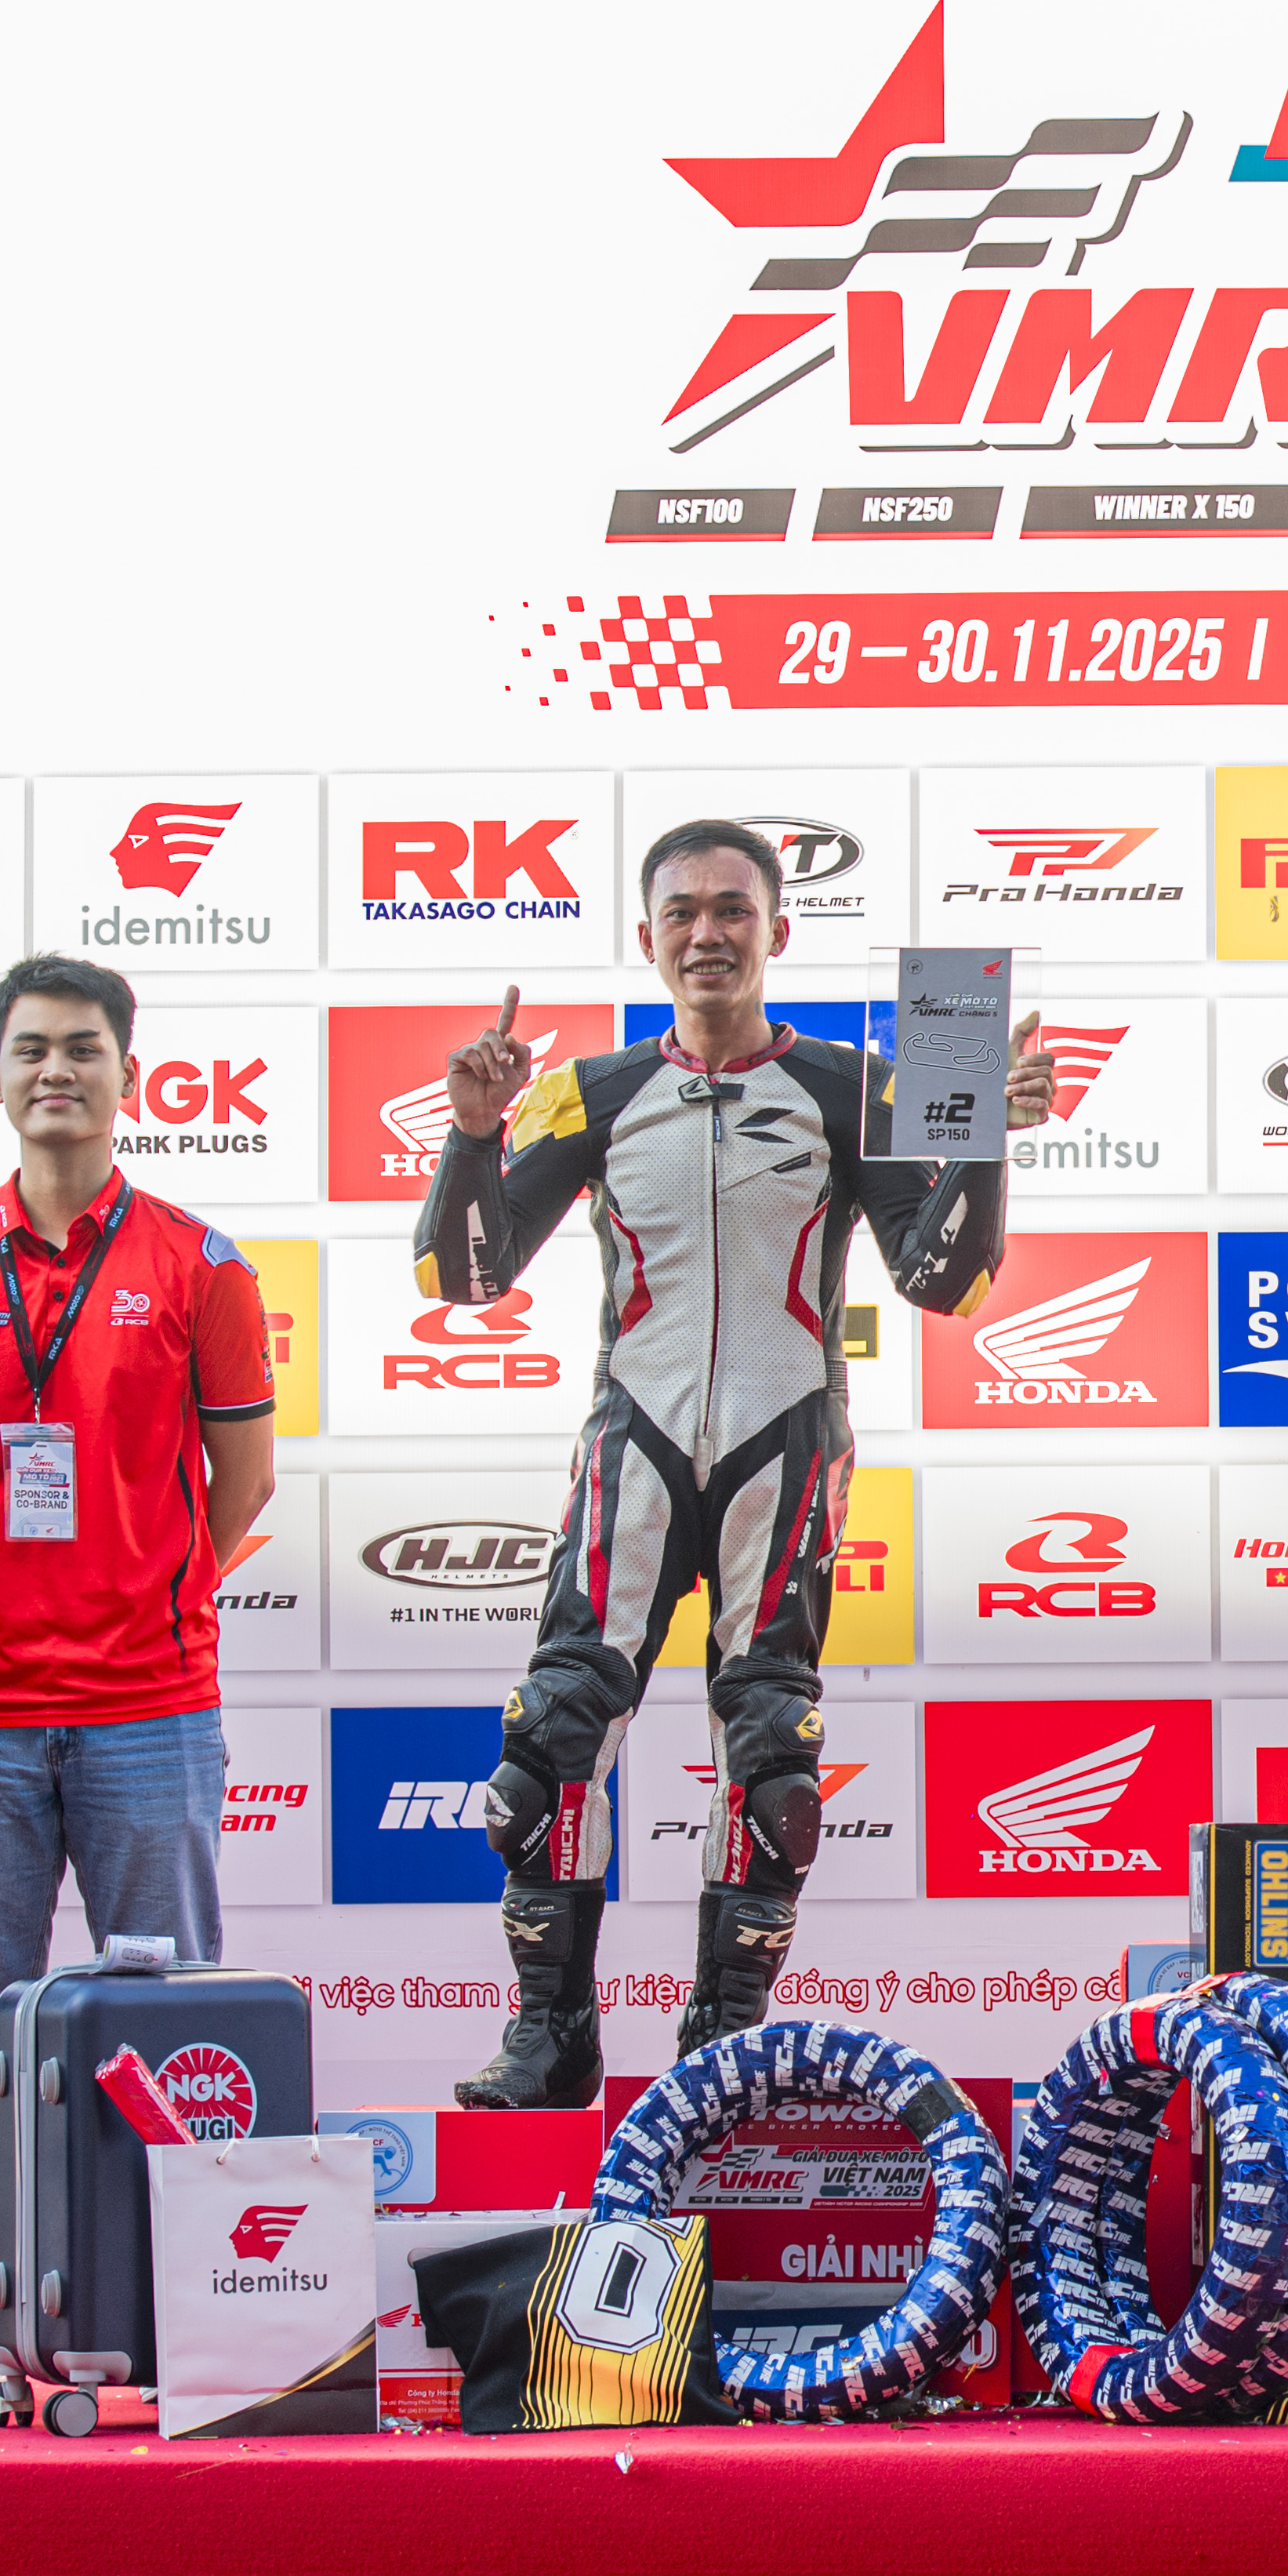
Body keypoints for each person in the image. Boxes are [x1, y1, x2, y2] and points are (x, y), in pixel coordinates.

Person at [421, 821, 1055, 2107]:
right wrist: (474, 1136)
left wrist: (986, 1133)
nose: (707, 933)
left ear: (778, 929)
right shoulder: (588, 1091)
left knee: (772, 1762)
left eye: (732, 909)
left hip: (787, 1443)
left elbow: (944, 1282)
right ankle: (552, 2037)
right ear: (647, 935)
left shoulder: (855, 1083)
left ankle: (720, 2048)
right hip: (636, 1445)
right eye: (682, 912)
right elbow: (463, 1275)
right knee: (549, 1741)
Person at [0, 955, 281, 2412]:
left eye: (85, 1047)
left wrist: (140, 1588)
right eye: (33, 1047)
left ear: (128, 1075)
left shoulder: (203, 1264)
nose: (58, 1069)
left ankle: (184, 2310)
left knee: (177, 2030)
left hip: (149, 1704)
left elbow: (244, 1480)